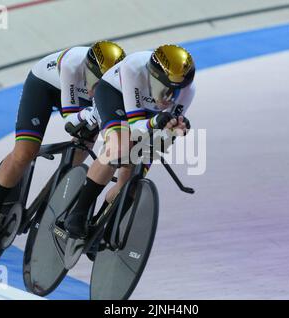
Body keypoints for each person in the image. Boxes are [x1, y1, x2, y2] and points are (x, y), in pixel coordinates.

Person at [0, 41, 126, 247]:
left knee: (79, 153)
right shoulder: (73, 64)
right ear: (87, 69)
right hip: (44, 87)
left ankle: (53, 196)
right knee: (25, 152)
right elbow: (71, 122)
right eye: (95, 80)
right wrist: (91, 115)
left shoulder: (119, 81)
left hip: (83, 100)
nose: (97, 86)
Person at [64, 44, 196, 239]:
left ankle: (103, 229)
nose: (168, 97)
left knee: (131, 182)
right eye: (165, 89)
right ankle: (78, 212)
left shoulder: (188, 90)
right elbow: (134, 127)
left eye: (174, 92)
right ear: (153, 75)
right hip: (114, 95)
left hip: (148, 113)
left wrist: (175, 130)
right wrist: (154, 122)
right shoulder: (134, 67)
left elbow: (164, 132)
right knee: (119, 149)